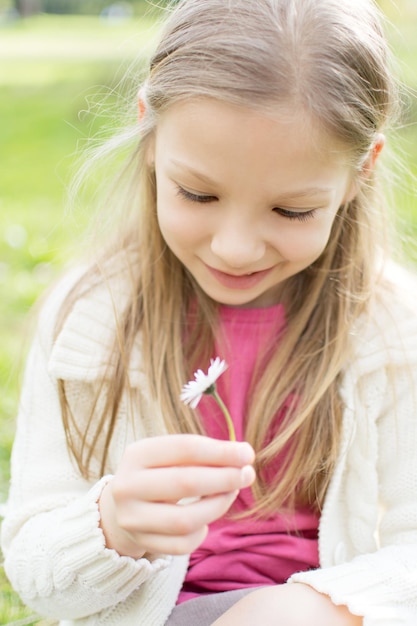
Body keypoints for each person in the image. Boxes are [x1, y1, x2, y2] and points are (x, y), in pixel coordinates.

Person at [2, 0, 417, 624]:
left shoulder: (392, 327)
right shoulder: (91, 317)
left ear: (363, 170)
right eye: (199, 194)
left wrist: (311, 608)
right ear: (149, 135)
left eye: (291, 211)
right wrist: (113, 526)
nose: (235, 247)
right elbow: (37, 574)